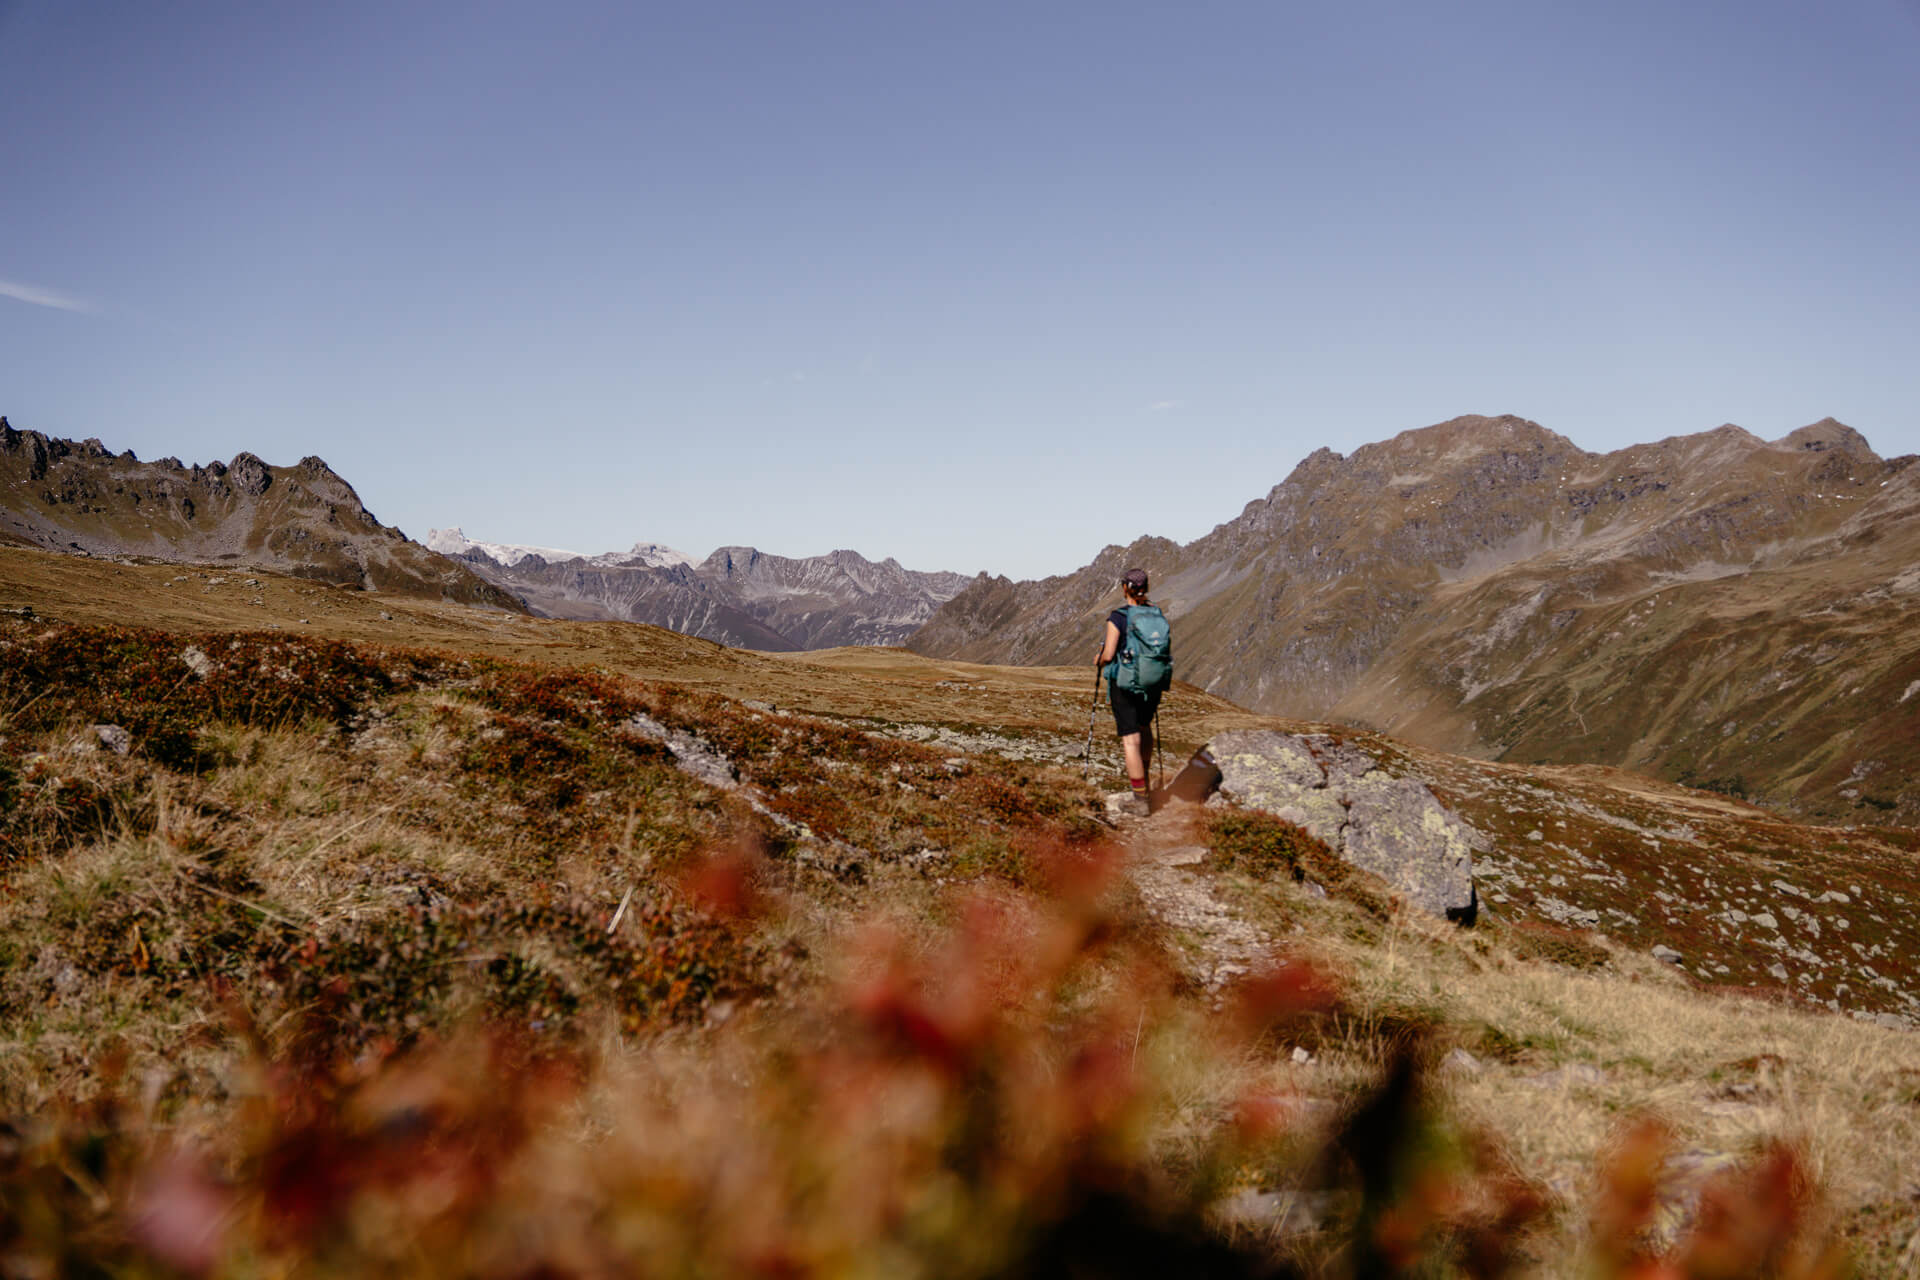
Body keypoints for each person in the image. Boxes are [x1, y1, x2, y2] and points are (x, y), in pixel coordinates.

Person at [1097, 567, 1165, 816]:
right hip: (1152, 683)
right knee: (1145, 729)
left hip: (1124, 684)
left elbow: (1109, 654)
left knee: (1130, 739)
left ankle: (1139, 800)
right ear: (1145, 587)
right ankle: (1145, 784)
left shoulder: (1118, 617)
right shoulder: (1156, 614)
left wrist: (1098, 659)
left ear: (1125, 587)